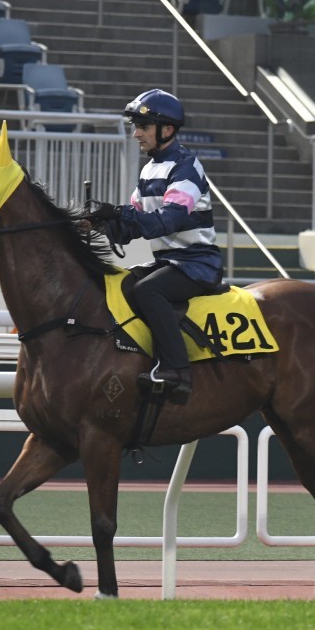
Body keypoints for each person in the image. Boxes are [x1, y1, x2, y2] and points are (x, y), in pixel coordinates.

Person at [86, 89, 223, 404]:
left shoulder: (185, 167)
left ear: (167, 130)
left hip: (198, 265)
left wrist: (120, 212)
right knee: (122, 282)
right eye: (136, 127)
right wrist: (103, 224)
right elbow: (135, 225)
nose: (136, 134)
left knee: (148, 291)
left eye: (143, 127)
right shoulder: (149, 170)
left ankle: (177, 370)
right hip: (170, 263)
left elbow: (168, 220)